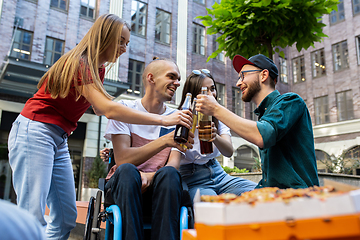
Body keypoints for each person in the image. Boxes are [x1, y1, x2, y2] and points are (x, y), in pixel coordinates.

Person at [7, 14, 192, 240]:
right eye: (120, 41)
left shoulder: (98, 70)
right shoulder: (80, 62)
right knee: (32, 214)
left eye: (127, 43)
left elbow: (100, 107)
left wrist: (110, 110)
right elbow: (109, 109)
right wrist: (164, 120)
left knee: (66, 217)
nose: (124, 48)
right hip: (36, 129)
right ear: (104, 37)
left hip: (60, 137)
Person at [196, 54, 319, 189]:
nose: (238, 83)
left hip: (300, 199)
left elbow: (262, 136)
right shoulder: (265, 115)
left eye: (243, 76)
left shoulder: (291, 100)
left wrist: (215, 109)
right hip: (273, 196)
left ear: (263, 75)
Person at [103, 58, 193, 240]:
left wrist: (148, 176)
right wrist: (165, 141)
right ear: (151, 78)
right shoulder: (125, 110)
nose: (177, 83)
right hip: (124, 188)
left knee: (169, 175)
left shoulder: (178, 117)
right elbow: (122, 160)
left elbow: (173, 166)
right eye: (171, 77)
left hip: (161, 189)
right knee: (127, 170)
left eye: (178, 78)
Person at [168, 69, 257, 201]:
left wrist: (215, 136)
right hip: (192, 177)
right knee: (212, 205)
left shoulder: (218, 117)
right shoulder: (179, 117)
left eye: (212, 89)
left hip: (218, 173)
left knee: (258, 191)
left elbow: (228, 152)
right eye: (204, 91)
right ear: (192, 95)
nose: (211, 94)